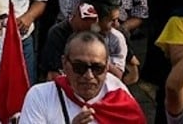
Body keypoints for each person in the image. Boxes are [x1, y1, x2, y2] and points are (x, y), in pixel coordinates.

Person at [17, 32, 146, 124]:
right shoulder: (40, 96)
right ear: (64, 63)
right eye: (79, 67)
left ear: (107, 66)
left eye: (97, 68)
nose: (88, 76)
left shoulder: (120, 97)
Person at [39, 0, 131, 82]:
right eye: (111, 20)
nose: (116, 25)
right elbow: (53, 77)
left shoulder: (116, 38)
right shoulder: (58, 34)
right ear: (91, 16)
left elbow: (117, 77)